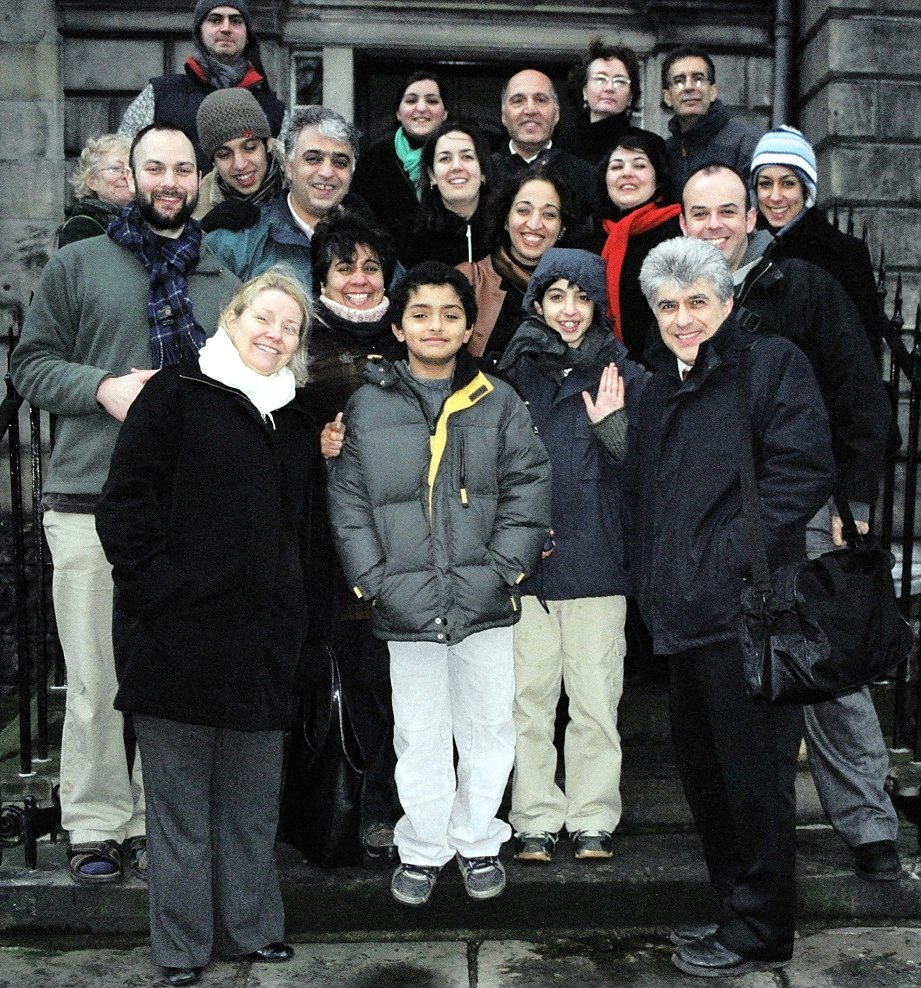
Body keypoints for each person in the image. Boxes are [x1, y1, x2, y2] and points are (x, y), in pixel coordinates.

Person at [11, 123, 240, 889]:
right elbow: (32, 364)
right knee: (96, 681)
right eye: (154, 168)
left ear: (198, 178)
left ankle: (157, 822)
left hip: (189, 511)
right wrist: (103, 388)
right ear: (128, 175)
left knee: (174, 679)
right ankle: (97, 822)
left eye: (182, 168)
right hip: (89, 503)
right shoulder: (80, 265)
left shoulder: (221, 275)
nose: (169, 181)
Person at [679, 163, 901, 883]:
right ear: (683, 223)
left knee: (827, 668)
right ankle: (749, 827)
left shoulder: (802, 288)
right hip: (714, 523)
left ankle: (868, 826)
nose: (713, 225)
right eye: (698, 213)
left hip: (803, 508)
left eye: (726, 212)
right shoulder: (673, 303)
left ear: (752, 219)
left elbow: (861, 395)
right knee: (732, 676)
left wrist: (856, 502)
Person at [95, 267, 315, 987]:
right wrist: (162, 594)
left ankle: (251, 929)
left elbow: (302, 532)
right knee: (181, 809)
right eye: (265, 317)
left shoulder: (296, 420)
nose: (274, 334)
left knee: (251, 805)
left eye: (290, 327)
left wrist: (295, 626)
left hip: (260, 643)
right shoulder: (175, 395)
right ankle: (183, 946)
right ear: (233, 315)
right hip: (175, 639)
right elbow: (124, 507)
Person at [627, 236, 835, 977]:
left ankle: (760, 931)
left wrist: (728, 559)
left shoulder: (767, 365)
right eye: (667, 307)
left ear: (726, 302)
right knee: (708, 786)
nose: (682, 319)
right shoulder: (657, 388)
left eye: (696, 303)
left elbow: (803, 468)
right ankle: (734, 914)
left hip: (745, 615)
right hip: (680, 622)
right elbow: (648, 501)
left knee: (753, 789)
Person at [326, 262, 552, 907]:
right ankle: (424, 846)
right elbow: (348, 501)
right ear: (397, 326)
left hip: (484, 599)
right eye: (420, 313)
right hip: (404, 601)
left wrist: (504, 569)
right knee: (419, 732)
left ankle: (479, 839)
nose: (435, 326)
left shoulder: (497, 400)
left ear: (469, 326)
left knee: (489, 726)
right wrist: (373, 581)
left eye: (451, 314)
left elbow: (528, 487)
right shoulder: (366, 405)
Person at [496, 248, 646, 864]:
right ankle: (532, 814)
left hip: (597, 561)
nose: (569, 310)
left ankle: (591, 815)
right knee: (528, 699)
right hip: (526, 566)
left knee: (594, 700)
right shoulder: (509, 375)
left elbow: (649, 477)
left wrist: (616, 429)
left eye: (582, 297)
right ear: (536, 302)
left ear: (599, 306)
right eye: (556, 296)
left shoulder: (626, 375)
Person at [307, 214, 403, 857]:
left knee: (397, 678)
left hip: (405, 540)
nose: (360, 280)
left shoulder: (410, 336)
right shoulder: (299, 343)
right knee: (345, 675)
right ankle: (340, 807)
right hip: (326, 544)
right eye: (346, 268)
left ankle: (388, 804)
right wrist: (314, 449)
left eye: (371, 267)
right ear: (324, 277)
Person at [750, 125, 889, 360]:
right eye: (765, 184)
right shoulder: (746, 249)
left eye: (787, 183)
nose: (774, 196)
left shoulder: (845, 254)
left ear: (807, 189)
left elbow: (863, 353)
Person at [118, 1, 286, 173]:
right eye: (215, 20)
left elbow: (289, 170)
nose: (226, 28)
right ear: (199, 31)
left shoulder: (272, 108)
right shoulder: (160, 94)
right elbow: (123, 159)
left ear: (247, 34)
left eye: (236, 21)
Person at [206, 106, 362, 288]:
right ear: (289, 167)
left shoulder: (371, 241)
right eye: (313, 159)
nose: (327, 172)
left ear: (351, 173)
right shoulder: (235, 243)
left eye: (340, 162)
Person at [460, 165, 581, 367]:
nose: (534, 224)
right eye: (523, 210)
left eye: (549, 214)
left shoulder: (579, 287)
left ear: (562, 228)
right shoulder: (470, 279)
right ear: (506, 219)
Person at [578, 128, 680, 364]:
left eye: (639, 165)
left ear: (658, 174)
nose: (627, 174)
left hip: (661, 370)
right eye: (616, 167)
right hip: (598, 369)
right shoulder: (589, 235)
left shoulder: (678, 231)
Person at [351, 71, 448, 239]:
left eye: (432, 101)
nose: (421, 108)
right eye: (411, 100)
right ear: (398, 113)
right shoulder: (374, 160)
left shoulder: (458, 159)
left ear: (445, 113)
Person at [492, 69, 598, 215]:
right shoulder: (483, 173)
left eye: (540, 100)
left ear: (557, 114)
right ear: (503, 115)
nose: (530, 110)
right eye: (518, 101)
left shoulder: (586, 177)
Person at [661, 47, 762, 194]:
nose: (689, 87)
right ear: (667, 97)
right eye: (679, 81)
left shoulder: (748, 142)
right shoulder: (665, 153)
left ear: (713, 91)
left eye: (698, 79)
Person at [397, 119, 492, 267]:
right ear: (432, 175)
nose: (456, 167)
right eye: (445, 158)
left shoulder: (505, 234)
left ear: (483, 172)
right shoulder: (411, 241)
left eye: (467, 157)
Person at [193, 87, 285, 232]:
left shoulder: (302, 181)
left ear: (268, 143)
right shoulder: (199, 201)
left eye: (249, 148)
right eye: (224, 154)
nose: (240, 165)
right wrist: (202, 232)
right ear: (213, 161)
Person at [558, 37, 649, 166]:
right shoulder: (562, 148)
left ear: (631, 96)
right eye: (600, 79)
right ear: (584, 91)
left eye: (619, 81)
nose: (609, 88)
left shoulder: (650, 145)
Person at [58, 134, 134, 247]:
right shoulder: (81, 228)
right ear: (92, 181)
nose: (126, 176)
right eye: (115, 169)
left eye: (132, 169)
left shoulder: (150, 224)